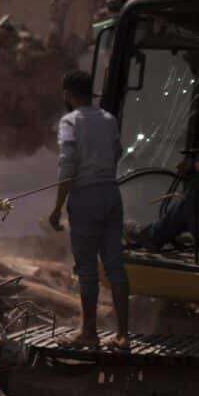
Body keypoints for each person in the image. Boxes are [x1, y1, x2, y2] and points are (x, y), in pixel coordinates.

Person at [48, 70, 130, 349]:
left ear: (68, 94)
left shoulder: (69, 122)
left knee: (87, 271)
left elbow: (67, 167)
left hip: (85, 199)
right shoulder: (109, 119)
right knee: (115, 266)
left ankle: (89, 333)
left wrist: (57, 207)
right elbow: (118, 152)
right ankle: (123, 335)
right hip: (111, 194)